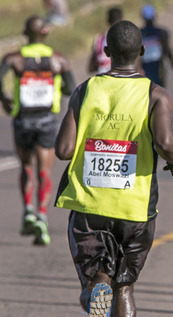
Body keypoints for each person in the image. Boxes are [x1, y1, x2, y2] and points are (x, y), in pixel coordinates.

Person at [54, 20, 173, 316]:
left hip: (90, 205)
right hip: (135, 208)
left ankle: (95, 285)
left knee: (97, 278)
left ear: (106, 51)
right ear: (141, 50)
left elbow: (63, 151)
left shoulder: (84, 90)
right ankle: (104, 287)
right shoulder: (155, 95)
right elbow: (166, 143)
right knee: (125, 287)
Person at [0, 15, 75, 246]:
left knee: (25, 166)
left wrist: (5, 99)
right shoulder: (58, 59)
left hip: (22, 119)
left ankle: (28, 211)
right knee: (45, 170)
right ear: (45, 32)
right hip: (47, 120)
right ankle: (42, 216)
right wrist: (56, 84)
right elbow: (71, 87)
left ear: (25, 33)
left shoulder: (14, 58)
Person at [140, 4, 173, 87]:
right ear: (154, 16)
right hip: (158, 69)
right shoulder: (161, 32)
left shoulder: (139, 33)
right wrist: (172, 62)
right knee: (159, 91)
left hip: (143, 70)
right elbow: (167, 48)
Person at [88, 7, 123, 74]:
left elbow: (90, 68)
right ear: (122, 19)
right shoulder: (125, 37)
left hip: (103, 79)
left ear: (108, 21)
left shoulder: (98, 39)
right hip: (121, 78)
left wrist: (103, 64)